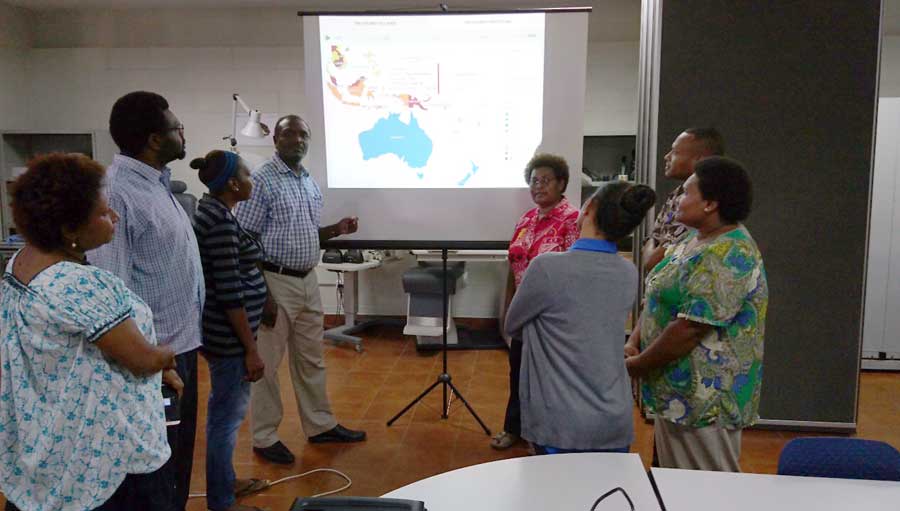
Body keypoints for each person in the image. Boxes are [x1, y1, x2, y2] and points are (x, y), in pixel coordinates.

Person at [0, 153, 179, 511]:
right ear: (69, 229)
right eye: (102, 212)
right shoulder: (83, 284)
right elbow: (142, 360)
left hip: (50, 445)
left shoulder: (20, 263)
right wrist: (168, 355)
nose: (113, 216)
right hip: (103, 460)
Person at [88, 91, 205, 510]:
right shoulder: (117, 193)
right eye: (177, 128)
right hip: (151, 361)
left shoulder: (156, 184)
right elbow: (109, 290)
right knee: (154, 474)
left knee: (176, 464)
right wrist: (146, 359)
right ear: (155, 139)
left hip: (178, 349)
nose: (182, 134)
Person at [235, 114, 365, 465]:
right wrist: (263, 294)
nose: (298, 140)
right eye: (289, 134)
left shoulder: (307, 181)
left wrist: (335, 230)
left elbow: (306, 232)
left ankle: (320, 425)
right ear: (275, 140)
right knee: (268, 365)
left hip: (308, 280)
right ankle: (264, 437)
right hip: (274, 282)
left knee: (311, 359)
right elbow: (244, 240)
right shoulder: (261, 180)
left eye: (303, 134)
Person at [626, 156, 767, 472]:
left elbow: (689, 329)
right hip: (676, 393)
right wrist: (635, 339)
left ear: (710, 204)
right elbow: (659, 293)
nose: (677, 198)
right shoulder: (694, 237)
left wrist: (638, 363)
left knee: (707, 493)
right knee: (678, 486)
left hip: (706, 400)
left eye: (686, 192)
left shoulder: (730, 252)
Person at [505, 182, 656, 454]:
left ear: (590, 209)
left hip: (560, 421)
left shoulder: (547, 267)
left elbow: (513, 324)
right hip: (614, 418)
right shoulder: (628, 272)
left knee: (557, 494)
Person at [192, 151, 269, 511]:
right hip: (228, 340)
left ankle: (226, 483)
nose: (253, 181)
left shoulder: (215, 212)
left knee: (224, 413)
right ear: (234, 184)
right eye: (248, 175)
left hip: (223, 336)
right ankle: (221, 502)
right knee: (225, 420)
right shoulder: (220, 222)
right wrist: (250, 349)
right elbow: (229, 291)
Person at [492, 153, 580, 450]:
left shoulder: (572, 220)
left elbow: (574, 271)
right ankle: (514, 427)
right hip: (522, 309)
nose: (538, 186)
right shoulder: (526, 219)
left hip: (551, 315)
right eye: (533, 180)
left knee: (547, 376)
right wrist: (507, 306)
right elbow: (513, 263)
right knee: (518, 372)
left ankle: (544, 434)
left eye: (545, 180)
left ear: (561, 183)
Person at [642, 128, 724, 272]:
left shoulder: (698, 202)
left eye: (675, 152)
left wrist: (652, 246)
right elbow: (653, 240)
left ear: (700, 159)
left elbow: (653, 261)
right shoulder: (676, 195)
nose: (666, 156)